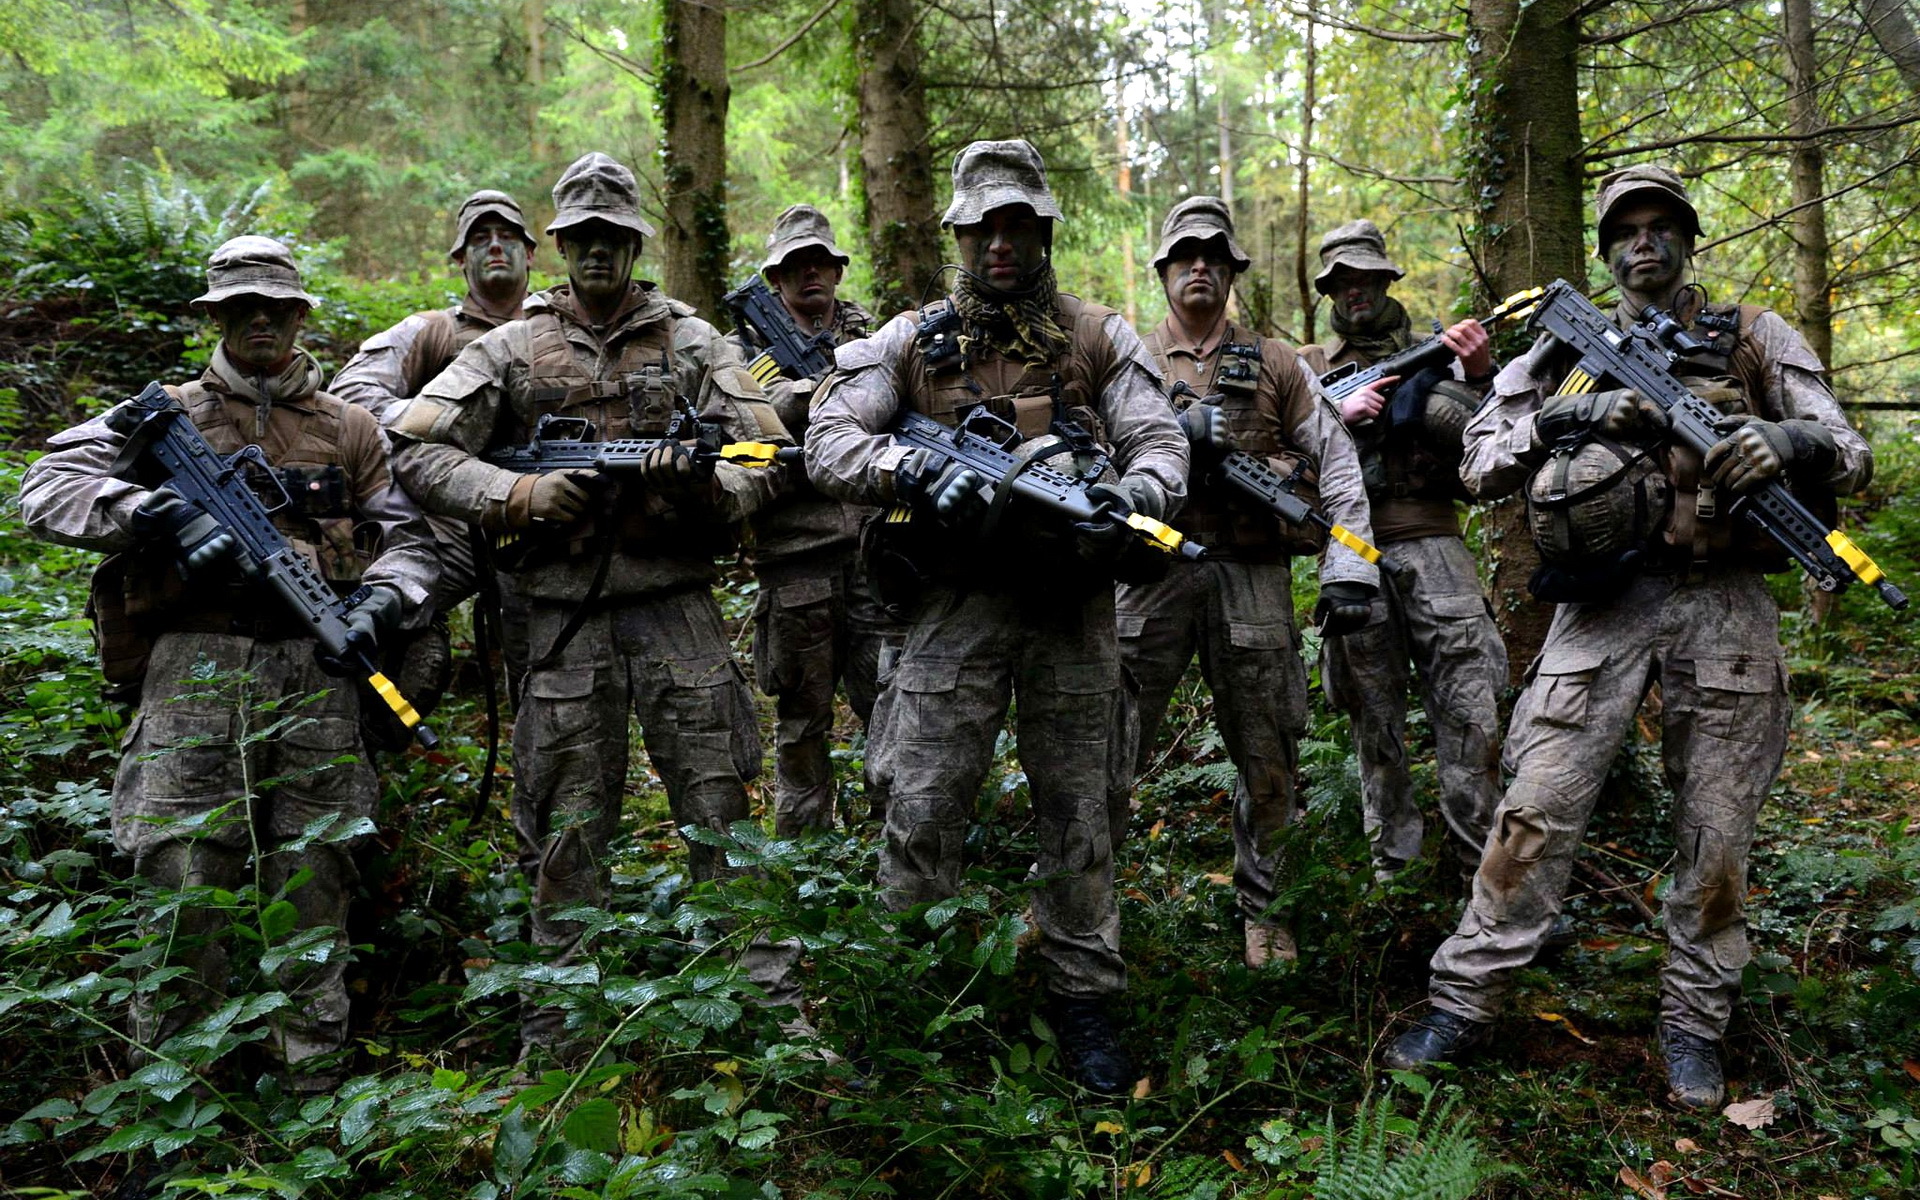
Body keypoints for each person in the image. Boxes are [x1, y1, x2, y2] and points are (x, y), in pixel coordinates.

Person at [1383, 165, 1874, 1110]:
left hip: (1726, 602)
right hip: (1598, 610)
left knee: (1718, 835)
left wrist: (1788, 441)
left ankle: (1694, 1024)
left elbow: (1849, 450)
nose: (1644, 242)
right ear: (1607, 249)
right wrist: (1576, 409)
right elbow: (1481, 460)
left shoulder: (1757, 335)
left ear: (1688, 239)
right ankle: (1465, 1000)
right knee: (1534, 810)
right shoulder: (1566, 342)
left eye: (1662, 226)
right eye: (1627, 229)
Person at [381, 152, 793, 1058]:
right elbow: (412, 449)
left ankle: (766, 1018)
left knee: (722, 808)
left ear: (635, 242)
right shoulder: (509, 348)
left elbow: (772, 454)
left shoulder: (692, 343)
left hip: (676, 609)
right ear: (560, 244)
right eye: (583, 237)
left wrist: (710, 490)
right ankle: (561, 1040)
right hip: (560, 619)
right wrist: (515, 495)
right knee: (566, 826)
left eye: (615, 236)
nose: (599, 251)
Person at [804, 139, 1189, 1094]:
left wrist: (1130, 495)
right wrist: (911, 470)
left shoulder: (1097, 334)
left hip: (1071, 605)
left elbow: (1161, 439)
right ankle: (911, 994)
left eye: (1019, 225)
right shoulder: (907, 339)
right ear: (960, 236)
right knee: (923, 804)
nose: (1001, 244)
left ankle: (1085, 997)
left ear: (1044, 230)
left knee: (1084, 807)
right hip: (949, 608)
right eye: (984, 227)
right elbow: (828, 436)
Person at [18, 235, 438, 1089]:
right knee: (181, 879)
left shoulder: (351, 428)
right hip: (192, 674)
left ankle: (308, 1091)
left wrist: (382, 599)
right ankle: (177, 1103)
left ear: (298, 316)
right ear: (212, 316)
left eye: (275, 308)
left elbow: (412, 541)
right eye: (239, 307)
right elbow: (46, 484)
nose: (259, 321)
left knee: (315, 881)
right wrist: (150, 513)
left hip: (316, 676)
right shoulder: (161, 415)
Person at [1117, 197, 1379, 968]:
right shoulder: (1125, 357)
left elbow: (1337, 464)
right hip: (1152, 574)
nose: (1200, 266)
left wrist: (1348, 568)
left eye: (1214, 256)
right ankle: (1081, 902)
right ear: (1164, 271)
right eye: (1185, 254)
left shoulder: (1276, 362)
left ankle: (1267, 912)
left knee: (1269, 753)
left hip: (1253, 578)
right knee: (1109, 744)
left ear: (1232, 272)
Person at [1298, 219, 1507, 884]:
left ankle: (1484, 872)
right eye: (1341, 282)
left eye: (1367, 278)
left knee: (1471, 710)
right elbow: (1276, 456)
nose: (1355, 291)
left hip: (1436, 543)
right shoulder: (1305, 368)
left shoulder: (1437, 352)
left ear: (1387, 280)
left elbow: (1501, 443)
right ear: (1328, 291)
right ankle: (1397, 877)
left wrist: (1480, 372)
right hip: (1353, 554)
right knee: (1375, 719)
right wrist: (1338, 415)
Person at [331, 190, 538, 739]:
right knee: (383, 624)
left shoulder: (559, 332)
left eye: (508, 237)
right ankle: (362, 747)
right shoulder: (431, 331)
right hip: (446, 525)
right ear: (460, 259)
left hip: (537, 522)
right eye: (479, 239)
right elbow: (350, 397)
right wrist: (438, 418)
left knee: (547, 679)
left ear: (532, 253)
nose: (495, 247)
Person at [725, 204, 902, 834]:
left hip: (872, 552)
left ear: (837, 269)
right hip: (796, 557)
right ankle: (804, 857)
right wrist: (822, 396)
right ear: (776, 278)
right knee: (802, 721)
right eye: (795, 266)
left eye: (820, 263)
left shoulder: (873, 338)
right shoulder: (742, 344)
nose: (810, 276)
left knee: (888, 703)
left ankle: (891, 840)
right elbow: (748, 418)